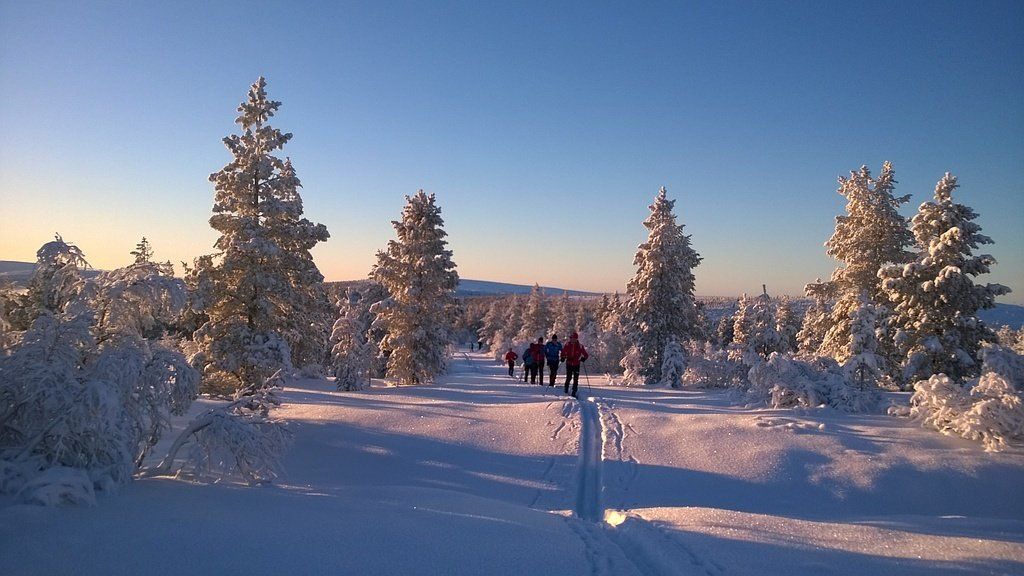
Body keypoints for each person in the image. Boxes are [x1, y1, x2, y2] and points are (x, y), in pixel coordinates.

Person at [560, 331, 589, 398]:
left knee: (576, 379)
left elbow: (586, 355)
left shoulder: (580, 346)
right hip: (569, 363)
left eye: (573, 338)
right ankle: (566, 389)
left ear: (576, 339)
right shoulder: (567, 345)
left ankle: (574, 391)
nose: (572, 339)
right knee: (569, 377)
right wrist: (562, 357)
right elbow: (563, 352)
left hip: (576, 364)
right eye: (571, 338)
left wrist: (583, 358)